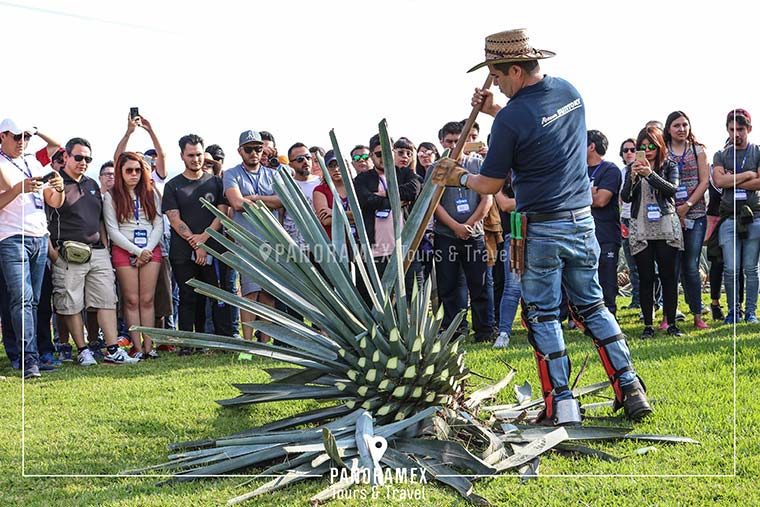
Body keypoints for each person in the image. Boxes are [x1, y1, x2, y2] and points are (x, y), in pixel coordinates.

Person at [434, 28, 651, 424]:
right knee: (593, 307)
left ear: (515, 69)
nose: (495, 84)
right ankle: (630, 386)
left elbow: (490, 184)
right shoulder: (569, 92)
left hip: (543, 229)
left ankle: (562, 406)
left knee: (542, 315)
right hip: (582, 222)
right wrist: (497, 111)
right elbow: (538, 126)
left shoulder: (512, 119)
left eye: (498, 77)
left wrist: (457, 176)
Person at [46, 137, 139, 366]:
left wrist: (105, 248)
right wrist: (54, 255)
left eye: (88, 159)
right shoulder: (55, 182)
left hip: (97, 251)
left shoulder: (91, 185)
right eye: (78, 157)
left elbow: (100, 221)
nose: (83, 162)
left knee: (107, 300)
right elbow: (52, 209)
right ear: (66, 156)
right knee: (71, 303)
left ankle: (112, 349)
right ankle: (83, 350)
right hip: (68, 252)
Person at [0, 120, 65, 377]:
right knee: (21, 300)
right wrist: (18, 189)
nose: (22, 142)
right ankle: (29, 360)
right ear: (2, 135)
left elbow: (53, 201)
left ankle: (31, 355)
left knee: (34, 302)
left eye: (26, 137)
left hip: (39, 236)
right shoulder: (3, 162)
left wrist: (58, 189)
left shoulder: (33, 162)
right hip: (12, 237)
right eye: (17, 137)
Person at [163, 134, 236, 354]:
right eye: (190, 155)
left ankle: (214, 343)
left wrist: (204, 240)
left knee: (215, 296)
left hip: (214, 249)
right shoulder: (173, 185)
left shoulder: (216, 182)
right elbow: (174, 219)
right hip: (183, 251)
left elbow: (221, 214)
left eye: (198, 155)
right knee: (187, 297)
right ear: (182, 156)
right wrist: (196, 244)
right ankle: (188, 343)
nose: (195, 159)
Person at [431, 121, 495, 342]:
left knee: (479, 284)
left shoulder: (478, 165)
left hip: (474, 234)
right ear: (441, 142)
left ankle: (484, 331)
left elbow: (487, 198)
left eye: (458, 140)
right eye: (449, 141)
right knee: (448, 285)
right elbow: (434, 204)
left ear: (467, 141)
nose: (454, 145)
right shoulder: (436, 167)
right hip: (446, 235)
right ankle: (453, 331)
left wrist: (469, 224)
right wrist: (455, 226)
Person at [622, 127, 684, 338]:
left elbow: (672, 190)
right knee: (646, 277)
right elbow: (626, 197)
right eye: (642, 147)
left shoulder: (670, 165)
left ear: (660, 146)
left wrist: (650, 174)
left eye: (651, 146)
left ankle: (672, 323)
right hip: (641, 225)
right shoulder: (633, 167)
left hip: (665, 223)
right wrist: (632, 178)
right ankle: (648, 325)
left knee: (668, 276)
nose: (647, 150)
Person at [223, 130, 282, 341]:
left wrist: (254, 198)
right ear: (240, 151)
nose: (254, 153)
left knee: (269, 293)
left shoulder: (273, 174)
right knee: (249, 294)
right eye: (249, 149)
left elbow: (282, 201)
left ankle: (265, 343)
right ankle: (247, 345)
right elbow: (237, 203)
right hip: (247, 241)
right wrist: (267, 200)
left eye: (258, 148)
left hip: (272, 241)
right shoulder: (231, 174)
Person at [103, 152, 164, 360]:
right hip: (124, 250)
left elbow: (158, 223)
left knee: (147, 299)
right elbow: (112, 230)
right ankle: (136, 347)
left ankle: (149, 346)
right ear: (120, 171)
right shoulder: (111, 196)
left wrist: (146, 250)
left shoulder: (151, 193)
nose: (134, 174)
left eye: (138, 170)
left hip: (150, 248)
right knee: (131, 300)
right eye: (129, 170)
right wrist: (137, 252)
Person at [354, 134, 421, 304]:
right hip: (375, 251)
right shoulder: (362, 178)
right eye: (378, 154)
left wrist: (382, 194)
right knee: (378, 303)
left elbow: (413, 190)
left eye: (387, 153)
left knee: (410, 302)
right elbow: (365, 200)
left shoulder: (405, 173)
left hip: (406, 250)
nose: (383, 158)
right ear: (371, 156)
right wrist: (397, 199)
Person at [712, 109, 760, 324]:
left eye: (740, 129)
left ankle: (751, 312)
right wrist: (749, 174)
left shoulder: (757, 152)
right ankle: (733, 312)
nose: (736, 134)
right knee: (731, 269)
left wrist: (733, 178)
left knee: (751, 268)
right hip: (729, 217)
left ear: (749, 129)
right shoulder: (720, 155)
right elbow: (719, 182)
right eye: (732, 129)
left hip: (754, 216)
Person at [663, 111, 710, 329]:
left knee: (691, 266)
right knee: (670, 267)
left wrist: (688, 206)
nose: (682, 129)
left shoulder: (698, 150)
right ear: (669, 129)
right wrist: (675, 210)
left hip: (696, 213)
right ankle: (668, 316)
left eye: (685, 125)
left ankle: (697, 315)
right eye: (676, 125)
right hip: (669, 215)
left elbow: (704, 182)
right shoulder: (663, 150)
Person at [587, 130, 621, 317]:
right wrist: (590, 191)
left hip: (606, 234)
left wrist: (580, 195)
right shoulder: (575, 169)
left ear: (591, 146)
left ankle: (610, 317)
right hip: (581, 234)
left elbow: (601, 200)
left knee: (606, 278)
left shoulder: (610, 169)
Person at [618, 138, 640, 309]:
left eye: (633, 149)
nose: (629, 153)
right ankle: (636, 300)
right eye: (626, 150)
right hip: (626, 219)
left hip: (643, 219)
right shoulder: (621, 172)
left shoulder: (645, 170)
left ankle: (655, 300)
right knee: (632, 265)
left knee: (649, 265)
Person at [313, 150, 354, 239]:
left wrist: (333, 212)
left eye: (339, 164)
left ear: (346, 166)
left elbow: (363, 215)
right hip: (332, 244)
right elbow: (326, 221)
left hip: (359, 243)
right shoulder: (320, 190)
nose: (336, 169)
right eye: (331, 166)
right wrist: (352, 217)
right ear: (325, 169)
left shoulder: (356, 187)